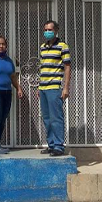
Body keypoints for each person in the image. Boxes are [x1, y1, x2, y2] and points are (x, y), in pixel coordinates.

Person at [38, 20, 71, 157]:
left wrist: (66, 88)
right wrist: (39, 87)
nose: (47, 32)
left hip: (55, 86)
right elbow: (42, 67)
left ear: (56, 30)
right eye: (45, 29)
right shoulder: (42, 47)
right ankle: (51, 145)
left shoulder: (63, 46)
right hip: (43, 87)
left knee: (56, 117)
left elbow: (68, 67)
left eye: (50, 29)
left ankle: (58, 146)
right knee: (46, 118)